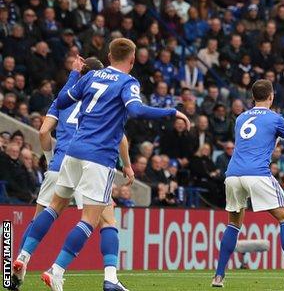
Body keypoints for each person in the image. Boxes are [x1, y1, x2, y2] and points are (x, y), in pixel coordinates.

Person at [12, 38, 190, 291]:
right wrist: (171, 112)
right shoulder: (128, 82)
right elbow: (137, 111)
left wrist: (74, 74)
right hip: (99, 158)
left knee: (53, 209)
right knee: (90, 220)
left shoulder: (90, 77)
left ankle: (22, 257)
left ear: (108, 56)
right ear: (132, 60)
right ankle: (57, 270)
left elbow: (62, 100)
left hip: (72, 152)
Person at [10, 57, 133, 291]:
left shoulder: (65, 96)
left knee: (43, 215)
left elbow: (44, 131)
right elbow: (121, 138)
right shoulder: (101, 98)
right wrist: (126, 165)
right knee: (106, 219)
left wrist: (50, 160)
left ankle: (19, 261)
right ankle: (108, 277)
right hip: (88, 161)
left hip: (60, 165)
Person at [212, 80, 284, 289]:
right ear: (271, 96)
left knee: (233, 223)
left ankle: (218, 277)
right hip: (257, 174)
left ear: (252, 97)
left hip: (232, 175)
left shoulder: (241, 118)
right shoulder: (276, 118)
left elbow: (255, 141)